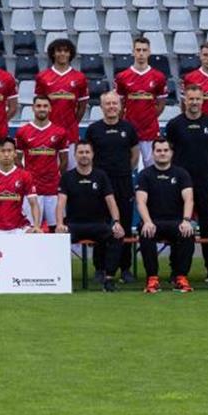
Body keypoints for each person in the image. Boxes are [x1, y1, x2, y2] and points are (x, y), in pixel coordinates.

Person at [164, 85, 208, 282]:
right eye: (191, 99)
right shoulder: (174, 124)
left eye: (198, 99)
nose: (194, 102)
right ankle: (178, 271)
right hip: (180, 184)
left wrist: (204, 167)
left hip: (205, 181)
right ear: (185, 100)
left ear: (202, 100)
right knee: (179, 227)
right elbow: (169, 150)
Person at [83, 92, 141, 282]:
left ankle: (125, 268)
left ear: (120, 105)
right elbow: (88, 156)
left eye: (114, 103)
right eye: (107, 104)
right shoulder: (93, 129)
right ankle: (100, 268)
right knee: (101, 227)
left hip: (122, 183)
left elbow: (134, 155)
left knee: (122, 226)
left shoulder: (129, 128)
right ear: (101, 107)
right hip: (99, 186)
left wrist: (124, 171)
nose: (111, 107)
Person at [56, 142, 125, 292]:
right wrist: (60, 224)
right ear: (75, 155)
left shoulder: (101, 176)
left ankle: (109, 279)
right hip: (74, 225)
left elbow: (111, 201)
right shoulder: (67, 177)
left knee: (117, 236)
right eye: (80, 152)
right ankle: (59, 280)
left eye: (87, 152)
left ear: (92, 155)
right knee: (58, 238)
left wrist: (117, 222)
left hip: (98, 225)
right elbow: (61, 203)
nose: (84, 155)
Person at [134, 139, 196, 294]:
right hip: (153, 222)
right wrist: (147, 222)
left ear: (171, 153)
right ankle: (152, 278)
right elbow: (141, 201)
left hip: (176, 222)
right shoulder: (145, 175)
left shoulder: (181, 174)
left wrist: (186, 220)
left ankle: (181, 277)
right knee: (145, 231)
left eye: (165, 150)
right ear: (153, 153)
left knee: (188, 232)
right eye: (158, 150)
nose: (162, 153)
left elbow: (189, 198)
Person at [15, 96, 68, 231]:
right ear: (33, 108)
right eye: (38, 106)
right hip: (32, 190)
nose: (42, 109)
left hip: (52, 189)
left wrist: (55, 176)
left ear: (50, 108)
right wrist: (27, 178)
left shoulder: (60, 132)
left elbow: (64, 160)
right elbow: (17, 159)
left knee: (56, 228)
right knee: (31, 228)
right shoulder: (23, 132)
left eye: (45, 106)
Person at [114, 36, 168, 168]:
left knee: (152, 167)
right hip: (129, 129)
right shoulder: (122, 77)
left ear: (149, 52)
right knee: (129, 166)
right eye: (138, 50)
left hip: (150, 130)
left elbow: (161, 104)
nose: (141, 54)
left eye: (144, 50)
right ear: (133, 52)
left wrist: (149, 117)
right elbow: (119, 104)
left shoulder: (159, 77)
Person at [0, 138, 39, 234]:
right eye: (2, 151)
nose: (6, 154)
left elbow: (34, 203)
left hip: (20, 227)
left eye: (9, 151)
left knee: (36, 233)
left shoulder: (25, 175)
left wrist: (37, 226)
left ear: (15, 153)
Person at [35, 38, 88, 150]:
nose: (62, 53)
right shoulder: (42, 77)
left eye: (66, 51)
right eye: (59, 50)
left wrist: (73, 123)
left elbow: (82, 106)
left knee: (70, 166)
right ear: (53, 54)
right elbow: (39, 105)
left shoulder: (79, 77)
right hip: (48, 131)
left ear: (70, 54)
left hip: (70, 132)